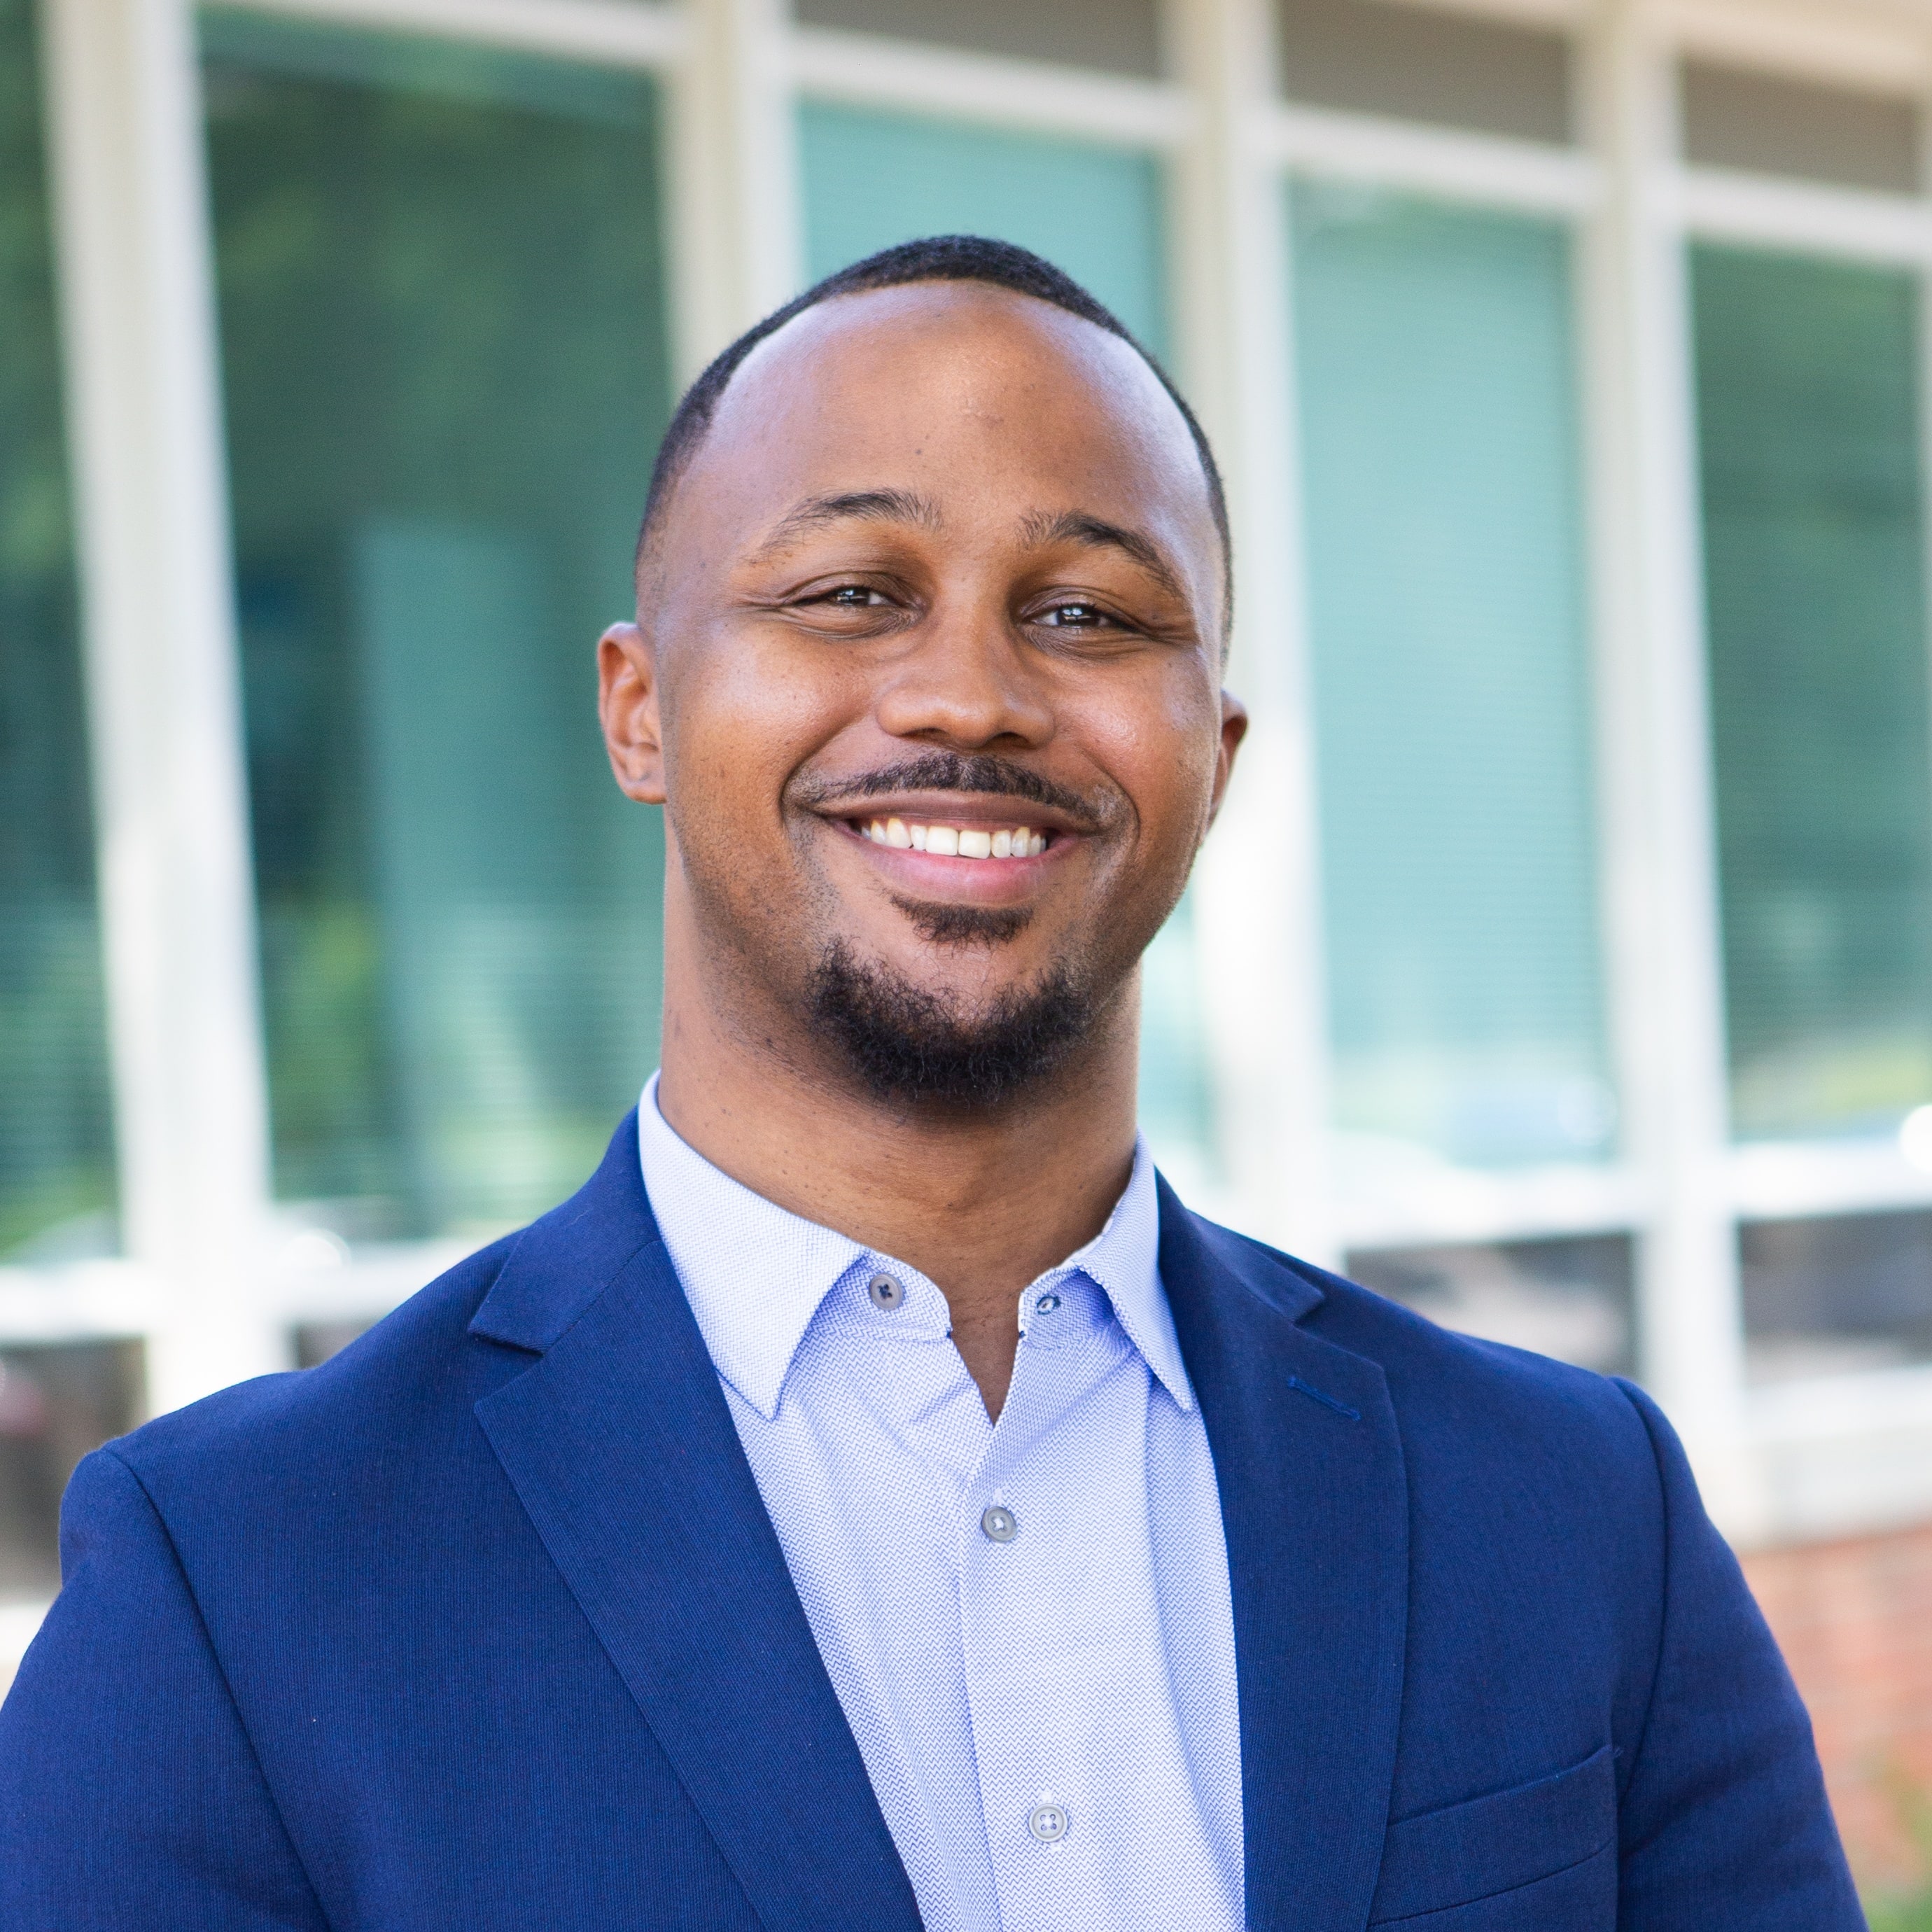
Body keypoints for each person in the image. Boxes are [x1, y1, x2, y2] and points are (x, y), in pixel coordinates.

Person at [0, 236, 1859, 1931]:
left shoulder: (1566, 1508)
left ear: (1208, 752)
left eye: (1089, 616)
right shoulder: (241, 1584)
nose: (968, 694)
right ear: (641, 708)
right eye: (851, 590)